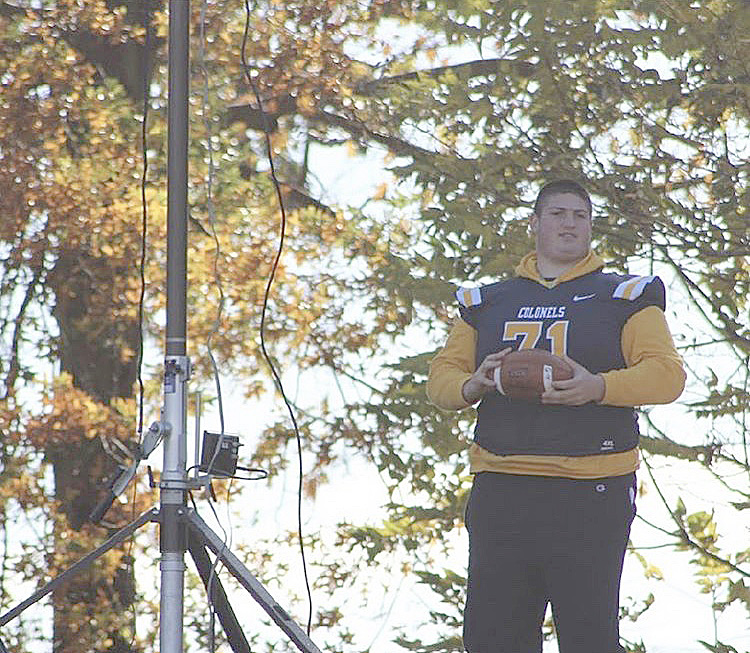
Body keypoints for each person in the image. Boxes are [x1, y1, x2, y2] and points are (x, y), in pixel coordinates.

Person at [426, 180, 686, 653]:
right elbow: (442, 379)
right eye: (558, 214)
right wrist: (475, 384)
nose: (570, 224)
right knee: (492, 639)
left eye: (580, 216)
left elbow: (667, 375)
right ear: (534, 223)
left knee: (587, 636)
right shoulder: (486, 302)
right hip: (503, 485)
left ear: (590, 226)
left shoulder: (627, 294)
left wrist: (597, 387)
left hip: (590, 489)